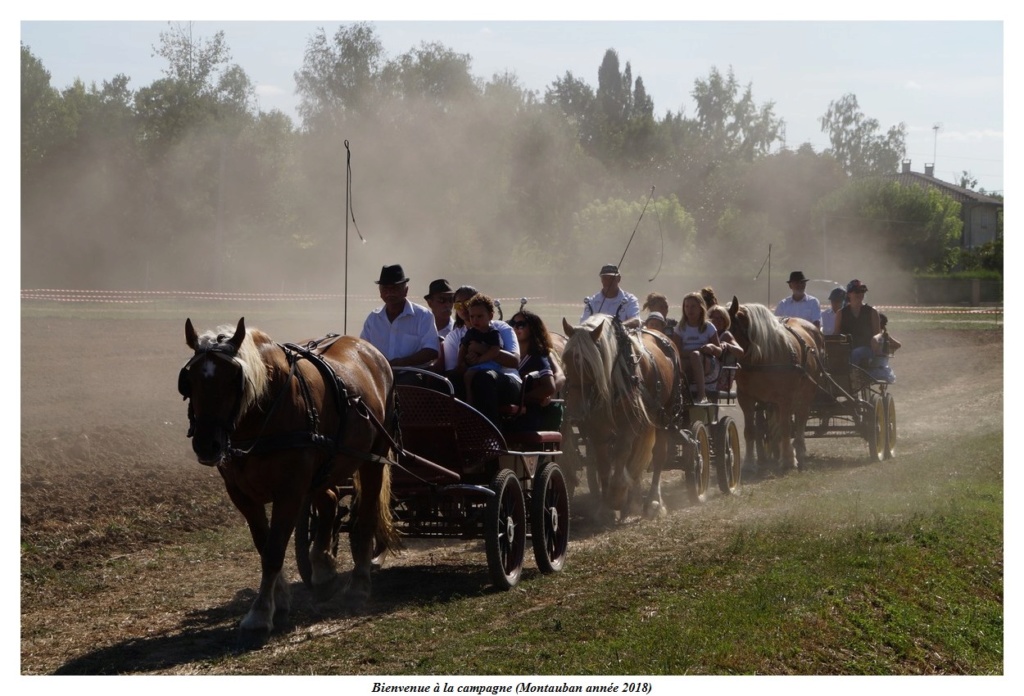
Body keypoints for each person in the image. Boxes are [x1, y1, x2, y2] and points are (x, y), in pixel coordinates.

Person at [359, 264, 439, 369]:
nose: (389, 293)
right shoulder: (373, 318)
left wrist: (400, 363)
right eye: (385, 289)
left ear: (406, 291)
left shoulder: (423, 315)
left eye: (395, 288)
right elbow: (362, 349)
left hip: (412, 373)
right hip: (379, 375)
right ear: (380, 293)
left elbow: (431, 351)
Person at [508, 309, 565, 431]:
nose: (515, 328)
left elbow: (560, 376)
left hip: (531, 408)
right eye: (512, 324)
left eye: (521, 324)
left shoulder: (542, 354)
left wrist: (546, 393)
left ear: (533, 328)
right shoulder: (508, 353)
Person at [456, 294, 507, 408]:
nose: (475, 320)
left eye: (479, 316)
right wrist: (459, 364)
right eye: (472, 316)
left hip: (490, 364)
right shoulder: (471, 332)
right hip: (474, 363)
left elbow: (495, 350)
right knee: (465, 376)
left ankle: (472, 402)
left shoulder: (493, 333)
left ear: (490, 316)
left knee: (477, 376)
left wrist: (479, 360)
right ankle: (468, 399)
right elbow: (463, 348)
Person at [672, 292, 721, 404]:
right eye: (687, 306)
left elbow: (719, 351)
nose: (690, 310)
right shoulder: (680, 328)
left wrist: (711, 346)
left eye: (693, 306)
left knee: (695, 356)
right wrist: (697, 350)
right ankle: (680, 395)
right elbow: (676, 351)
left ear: (701, 308)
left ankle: (702, 395)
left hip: (707, 362)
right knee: (679, 362)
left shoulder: (709, 327)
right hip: (686, 360)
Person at [834, 278, 881, 368]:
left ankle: (852, 375)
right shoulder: (841, 313)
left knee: (857, 353)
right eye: (856, 291)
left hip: (866, 348)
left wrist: (875, 338)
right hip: (846, 348)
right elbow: (836, 333)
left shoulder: (872, 312)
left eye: (862, 291)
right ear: (849, 294)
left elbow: (878, 333)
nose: (860, 294)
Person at [581, 264, 641, 329]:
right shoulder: (592, 302)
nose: (608, 282)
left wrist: (617, 327)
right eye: (605, 278)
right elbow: (584, 323)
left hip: (621, 337)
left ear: (619, 279)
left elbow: (635, 320)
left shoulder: (630, 300)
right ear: (601, 280)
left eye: (611, 278)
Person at [868, 313, 901, 383]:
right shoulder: (885, 335)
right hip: (884, 370)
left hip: (872, 369)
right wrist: (888, 348)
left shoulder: (874, 336)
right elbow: (898, 345)